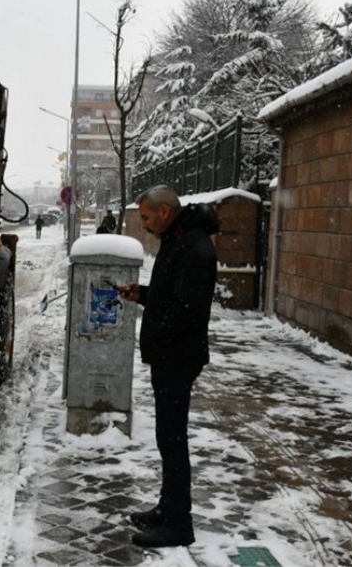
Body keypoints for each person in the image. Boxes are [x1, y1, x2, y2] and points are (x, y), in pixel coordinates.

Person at [117, 185, 218, 549]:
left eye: (145, 217)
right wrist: (142, 293)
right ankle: (169, 506)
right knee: (167, 438)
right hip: (170, 354)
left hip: (177, 356)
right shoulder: (178, 238)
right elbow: (170, 293)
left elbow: (186, 310)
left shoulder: (194, 247)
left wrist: (157, 329)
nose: (142, 224)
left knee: (173, 441)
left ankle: (179, 524)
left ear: (163, 211)